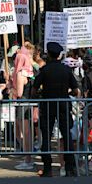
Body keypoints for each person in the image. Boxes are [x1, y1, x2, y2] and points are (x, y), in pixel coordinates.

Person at [33, 42, 81, 177]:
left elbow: (34, 90)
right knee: (67, 136)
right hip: (63, 104)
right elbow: (76, 90)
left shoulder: (45, 70)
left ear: (48, 54)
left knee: (46, 137)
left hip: (47, 105)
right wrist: (68, 94)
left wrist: (41, 95)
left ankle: (47, 168)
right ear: (59, 55)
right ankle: (70, 167)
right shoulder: (66, 70)